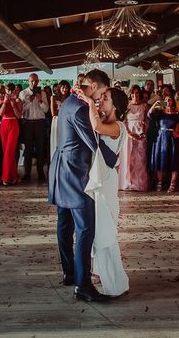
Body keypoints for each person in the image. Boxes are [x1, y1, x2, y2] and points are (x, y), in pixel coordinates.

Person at [48, 69, 111, 303]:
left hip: (61, 169)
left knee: (64, 224)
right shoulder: (81, 107)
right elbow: (92, 142)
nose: (101, 97)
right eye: (102, 92)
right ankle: (83, 285)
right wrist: (114, 159)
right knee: (85, 228)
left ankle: (70, 273)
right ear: (93, 86)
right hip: (74, 173)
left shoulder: (69, 101)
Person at [76, 86, 130, 297]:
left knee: (105, 230)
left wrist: (89, 103)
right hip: (100, 179)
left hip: (106, 181)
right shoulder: (110, 123)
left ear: (115, 105)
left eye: (105, 99)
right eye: (100, 98)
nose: (100, 101)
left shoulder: (118, 126)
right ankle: (101, 271)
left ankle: (115, 281)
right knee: (99, 229)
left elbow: (96, 126)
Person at [148, 94, 179, 193]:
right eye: (165, 100)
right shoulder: (160, 113)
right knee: (160, 161)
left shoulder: (177, 115)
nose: (168, 102)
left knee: (174, 160)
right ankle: (160, 183)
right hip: (161, 138)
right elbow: (149, 115)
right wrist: (156, 104)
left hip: (172, 139)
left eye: (169, 100)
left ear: (173, 102)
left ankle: (172, 184)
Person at [118, 85, 148, 191]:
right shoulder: (127, 106)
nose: (135, 95)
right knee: (128, 157)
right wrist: (129, 133)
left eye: (137, 93)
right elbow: (123, 121)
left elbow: (147, 120)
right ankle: (127, 182)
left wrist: (144, 132)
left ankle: (139, 183)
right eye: (133, 93)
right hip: (129, 133)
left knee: (140, 159)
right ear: (130, 95)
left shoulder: (144, 106)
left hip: (140, 134)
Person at [19, 73, 49, 182]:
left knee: (40, 148)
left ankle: (41, 173)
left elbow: (46, 110)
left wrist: (40, 100)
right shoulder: (23, 93)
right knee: (28, 149)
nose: (34, 83)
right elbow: (21, 110)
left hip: (40, 123)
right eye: (32, 81)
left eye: (36, 81)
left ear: (38, 81)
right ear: (28, 81)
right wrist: (29, 101)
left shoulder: (42, 93)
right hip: (28, 123)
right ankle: (27, 173)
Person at [0, 83, 23, 185]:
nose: (9, 92)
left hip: (13, 124)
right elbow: (0, 113)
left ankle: (6, 177)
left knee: (9, 151)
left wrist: (13, 105)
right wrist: (5, 102)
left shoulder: (18, 100)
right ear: (5, 90)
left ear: (15, 91)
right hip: (4, 124)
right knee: (7, 152)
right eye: (8, 90)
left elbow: (19, 116)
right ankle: (13, 176)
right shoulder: (2, 99)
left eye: (12, 90)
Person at [50, 80, 71, 160]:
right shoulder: (54, 97)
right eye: (63, 87)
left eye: (66, 88)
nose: (65, 89)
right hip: (57, 121)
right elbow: (53, 113)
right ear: (59, 88)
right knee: (57, 140)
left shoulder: (70, 98)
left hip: (67, 121)